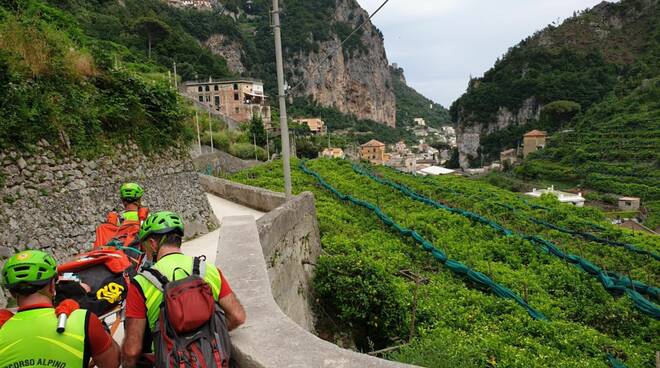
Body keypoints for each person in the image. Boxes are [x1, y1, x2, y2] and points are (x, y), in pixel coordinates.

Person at [122, 211, 246, 368]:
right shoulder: (208, 270)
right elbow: (238, 316)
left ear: (153, 244)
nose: (144, 251)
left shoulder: (141, 282)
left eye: (144, 245)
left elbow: (132, 349)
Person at [0, 250, 120, 368]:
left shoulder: (2, 326)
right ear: (52, 286)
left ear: (11, 293)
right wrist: (100, 327)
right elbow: (112, 363)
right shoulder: (83, 320)